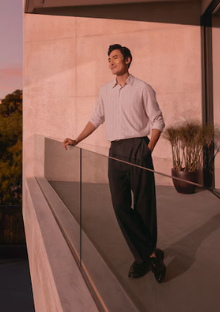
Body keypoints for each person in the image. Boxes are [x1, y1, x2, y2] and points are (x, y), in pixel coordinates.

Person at [63, 44, 166, 282]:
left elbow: (158, 121)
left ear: (128, 60)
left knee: (144, 206)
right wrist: (77, 139)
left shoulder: (143, 88)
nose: (111, 61)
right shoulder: (105, 91)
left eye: (115, 57)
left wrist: (147, 150)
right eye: (108, 58)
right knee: (120, 206)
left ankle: (142, 259)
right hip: (116, 151)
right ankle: (151, 253)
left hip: (138, 148)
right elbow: (96, 118)